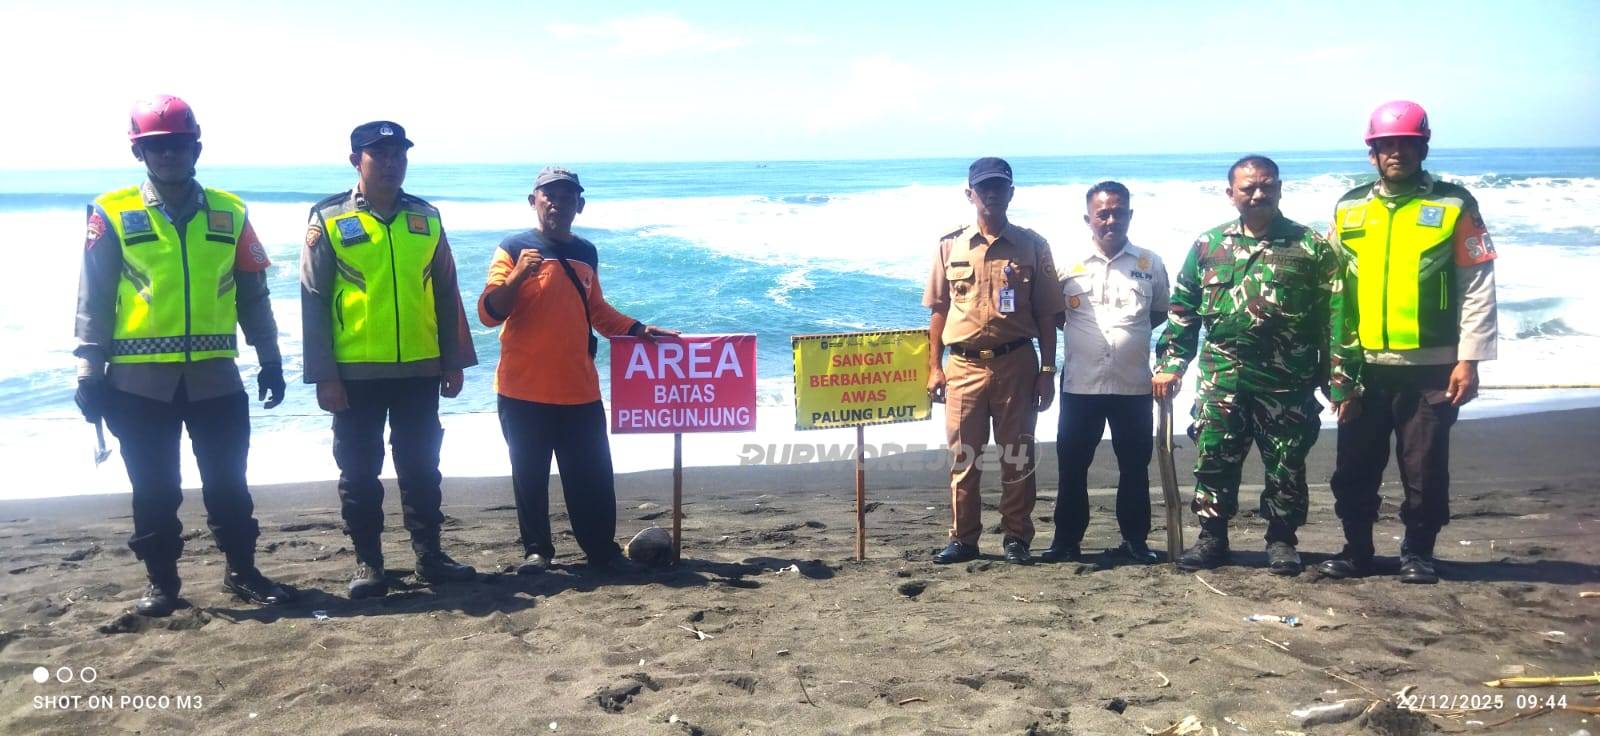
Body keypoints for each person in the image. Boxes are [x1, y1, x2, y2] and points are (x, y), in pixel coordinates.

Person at [73, 95, 293, 617]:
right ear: (139, 153)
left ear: (196, 147)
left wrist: (271, 359)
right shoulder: (110, 212)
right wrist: (88, 370)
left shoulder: (232, 211)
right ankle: (162, 584)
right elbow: (95, 297)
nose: (169, 154)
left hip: (216, 378)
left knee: (228, 484)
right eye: (157, 146)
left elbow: (253, 295)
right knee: (154, 490)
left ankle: (242, 571)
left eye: (178, 144)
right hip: (136, 385)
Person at [1152, 155, 1362, 576]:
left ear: (1280, 189)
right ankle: (1212, 537)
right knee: (1213, 457)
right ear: (1231, 194)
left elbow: (1337, 316)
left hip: (1287, 381)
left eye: (1266, 186)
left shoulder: (1310, 247)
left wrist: (1340, 379)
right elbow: (1184, 308)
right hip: (1222, 380)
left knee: (1286, 463)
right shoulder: (1208, 245)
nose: (1257, 194)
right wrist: (1172, 363)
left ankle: (1282, 539)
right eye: (1247, 188)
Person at [1319, 102, 1499, 584]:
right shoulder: (1349, 205)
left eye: (1405, 143)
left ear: (1423, 146)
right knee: (1354, 468)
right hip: (1365, 368)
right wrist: (1334, 366)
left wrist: (1471, 359)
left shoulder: (1455, 205)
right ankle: (1357, 551)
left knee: (1424, 471)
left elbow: (1477, 283)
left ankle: (1417, 552)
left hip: (1432, 367)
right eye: (1386, 145)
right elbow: (1331, 287)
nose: (1396, 152)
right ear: (1372, 152)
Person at [300, 121, 478, 598]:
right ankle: (369, 562)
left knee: (422, 467)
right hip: (355, 374)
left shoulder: (425, 217)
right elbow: (313, 301)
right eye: (381, 154)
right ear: (357, 160)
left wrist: (453, 359)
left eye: (400, 154)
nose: (393, 162)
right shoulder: (329, 217)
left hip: (419, 369)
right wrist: (324, 376)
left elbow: (445, 291)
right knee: (359, 472)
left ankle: (430, 557)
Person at [479, 166, 678, 574]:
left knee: (592, 477)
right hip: (522, 390)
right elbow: (489, 312)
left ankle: (601, 550)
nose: (557, 201)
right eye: (548, 194)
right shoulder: (513, 247)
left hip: (579, 390)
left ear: (580, 205)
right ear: (533, 201)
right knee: (530, 478)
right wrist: (519, 275)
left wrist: (638, 329)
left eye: (567, 196)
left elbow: (597, 312)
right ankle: (537, 552)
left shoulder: (586, 252)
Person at [924, 157, 1066, 565]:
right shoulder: (949, 246)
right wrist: (934, 367)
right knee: (963, 458)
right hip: (963, 367)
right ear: (970, 193)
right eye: (983, 187)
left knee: (1017, 456)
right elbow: (937, 310)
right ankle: (963, 539)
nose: (991, 193)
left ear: (1011, 193)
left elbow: (1046, 315)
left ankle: (1016, 537)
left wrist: (1046, 371)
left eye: (999, 187)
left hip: (1017, 363)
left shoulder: (1033, 246)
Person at [1045, 181, 1169, 564]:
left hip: (1133, 385)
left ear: (1130, 214)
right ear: (1089, 218)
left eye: (1118, 212)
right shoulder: (1066, 265)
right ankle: (1066, 542)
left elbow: (1161, 312)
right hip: (1081, 383)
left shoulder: (1150, 263)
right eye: (1103, 213)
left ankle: (1135, 541)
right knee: (1072, 467)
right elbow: (1053, 316)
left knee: (1134, 467)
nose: (1110, 219)